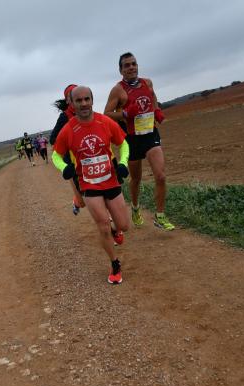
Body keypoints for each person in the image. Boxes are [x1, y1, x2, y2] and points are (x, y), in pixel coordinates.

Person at [52, 86, 130, 284]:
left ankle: (116, 229)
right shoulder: (68, 129)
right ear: (72, 104)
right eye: (79, 100)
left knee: (123, 225)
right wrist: (64, 168)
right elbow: (56, 154)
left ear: (92, 100)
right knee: (103, 225)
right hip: (88, 184)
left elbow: (123, 143)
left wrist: (122, 163)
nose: (84, 103)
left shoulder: (105, 122)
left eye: (87, 99)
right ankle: (115, 264)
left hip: (110, 179)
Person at [104, 52, 175, 231]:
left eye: (133, 64)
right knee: (136, 179)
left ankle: (159, 216)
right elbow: (107, 114)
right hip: (132, 139)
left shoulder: (147, 83)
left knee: (161, 176)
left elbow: (153, 98)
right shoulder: (118, 90)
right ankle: (135, 208)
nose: (131, 67)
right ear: (121, 70)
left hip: (151, 134)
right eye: (126, 65)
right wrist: (126, 113)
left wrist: (157, 110)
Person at [50, 84, 86, 215]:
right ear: (68, 100)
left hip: (90, 155)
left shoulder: (88, 111)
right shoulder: (65, 117)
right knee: (83, 201)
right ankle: (77, 201)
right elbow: (53, 139)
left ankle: (110, 222)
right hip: (72, 160)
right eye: (73, 96)